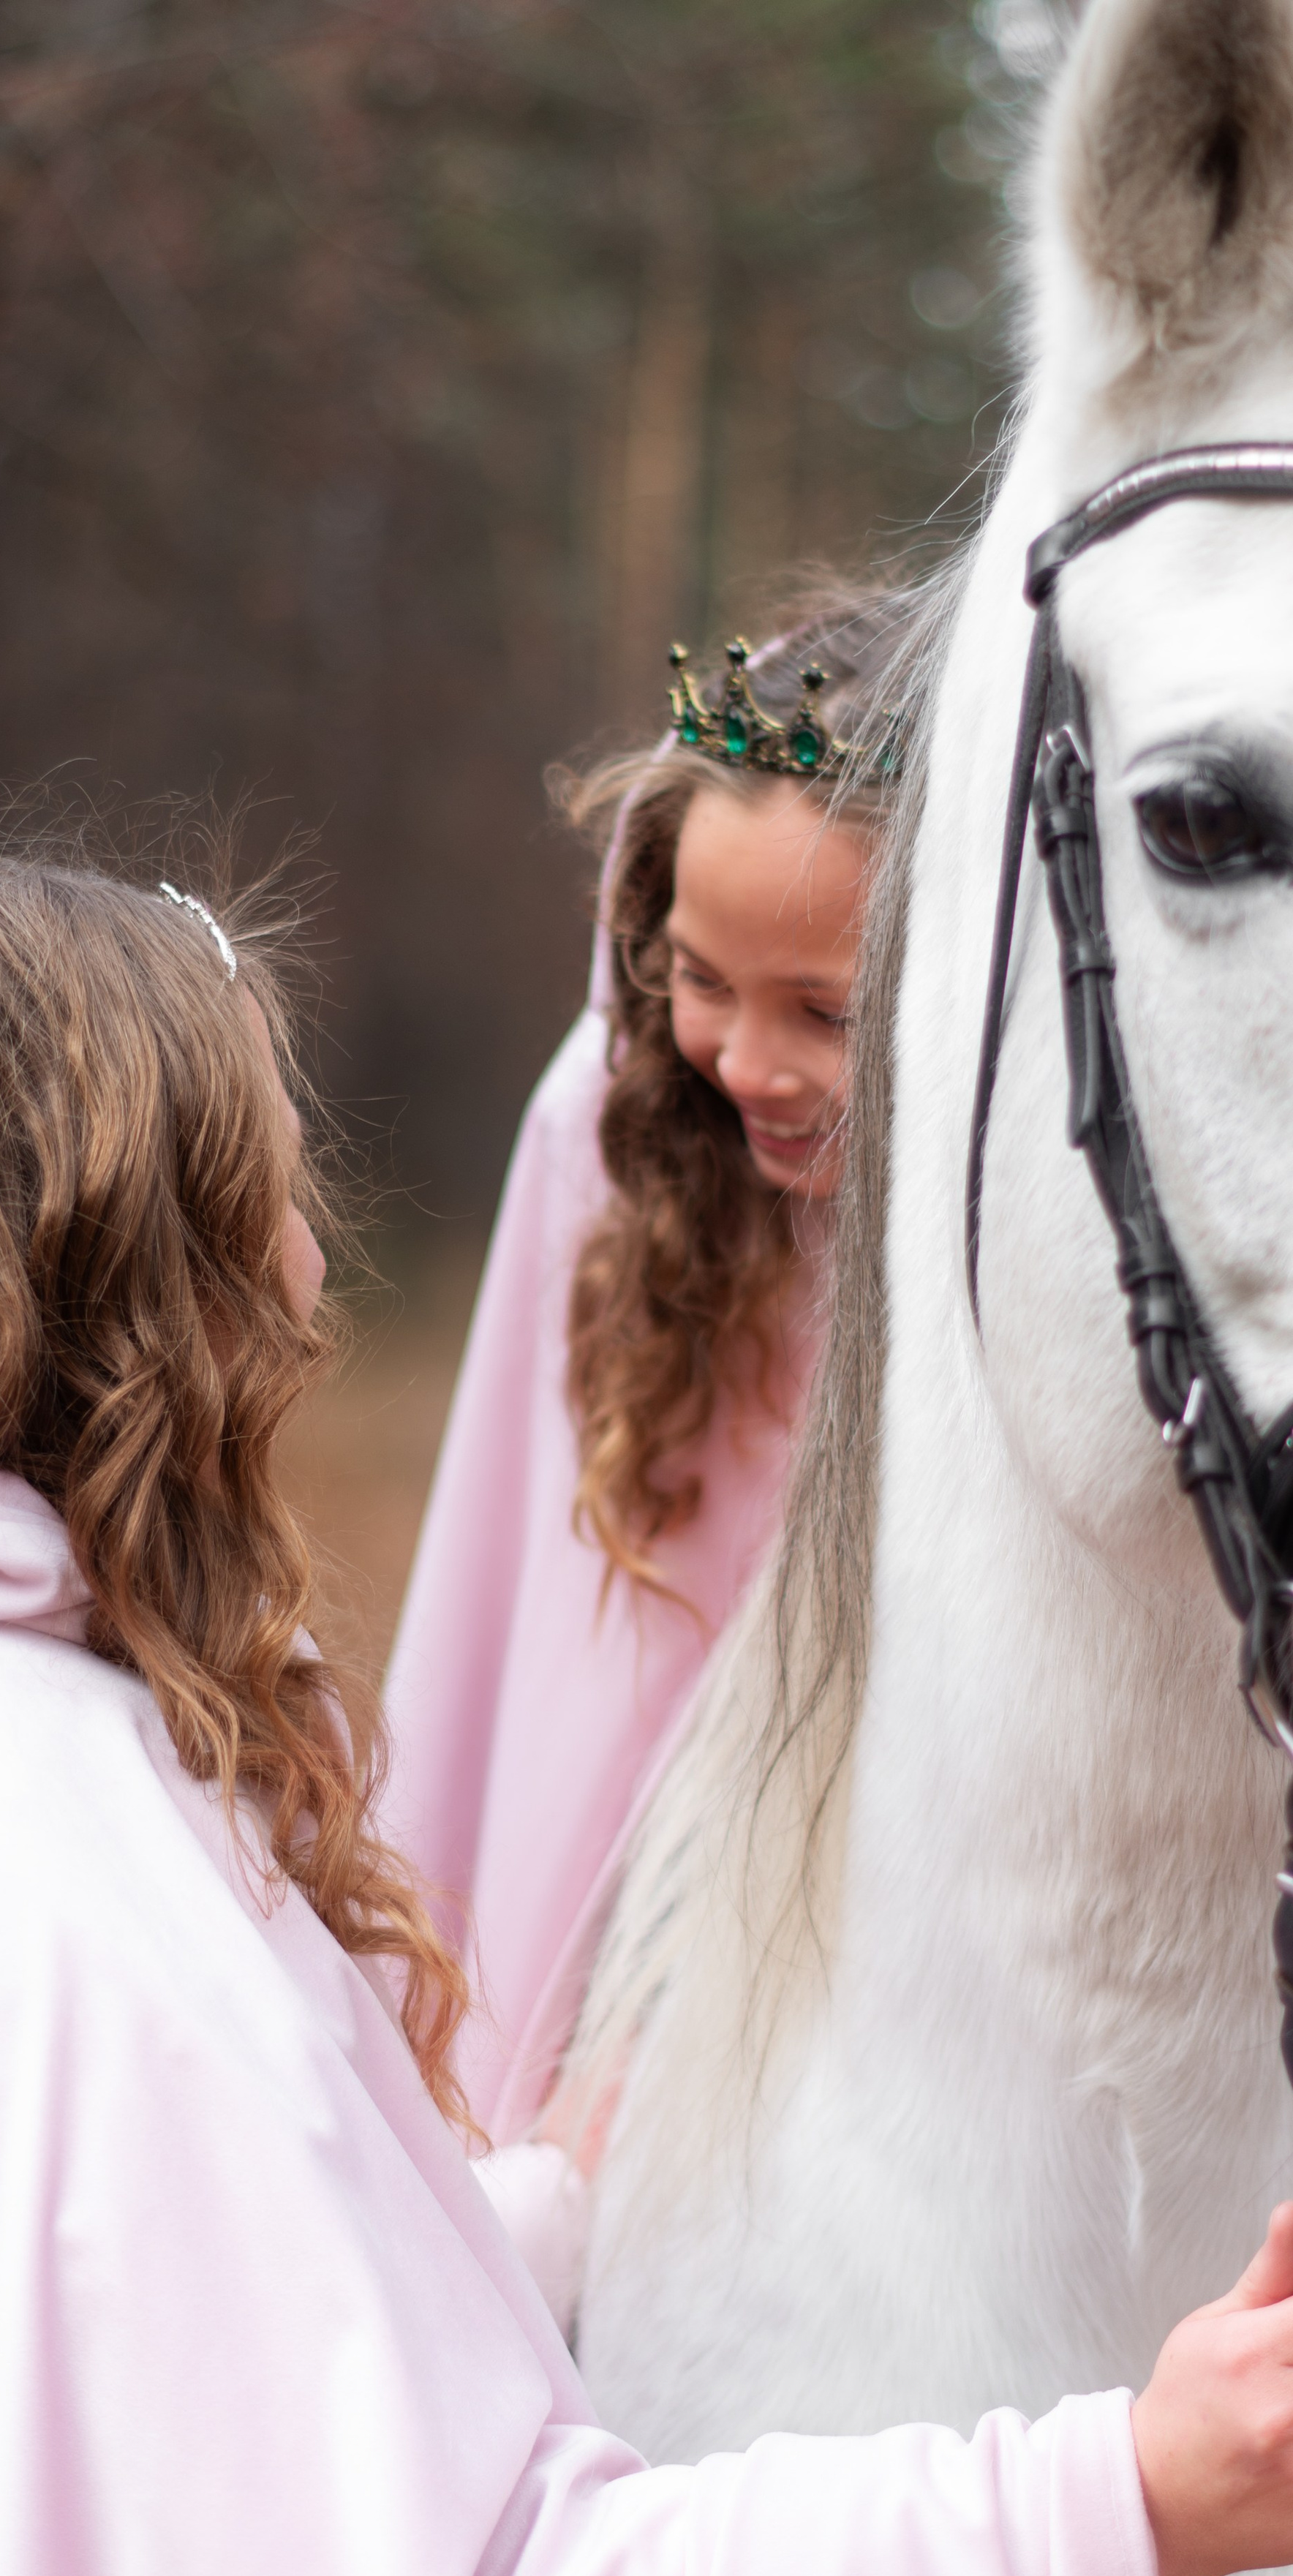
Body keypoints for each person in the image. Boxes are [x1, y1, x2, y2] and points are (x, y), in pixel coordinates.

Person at [0, 822, 1292, 2576]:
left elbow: (7, 2421)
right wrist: (1121, 2505)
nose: (319, 1265)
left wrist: (528, 2221)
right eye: (276, 1182)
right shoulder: (63, 1886)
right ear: (144, 1271)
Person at [385, 605, 899, 2148]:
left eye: (828, 1011)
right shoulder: (612, 1137)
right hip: (629, 1965)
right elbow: (532, 1613)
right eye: (699, 980)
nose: (747, 1063)